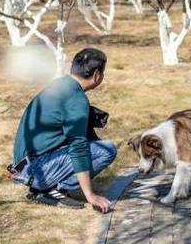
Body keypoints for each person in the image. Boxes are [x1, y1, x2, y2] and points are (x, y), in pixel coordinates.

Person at [11, 48, 116, 211]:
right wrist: (90, 195)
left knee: (91, 144)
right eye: (103, 73)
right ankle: (54, 189)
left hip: (24, 164)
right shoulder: (76, 99)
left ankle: (43, 186)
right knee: (107, 150)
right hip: (35, 168)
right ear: (96, 75)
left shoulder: (61, 85)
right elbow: (78, 148)